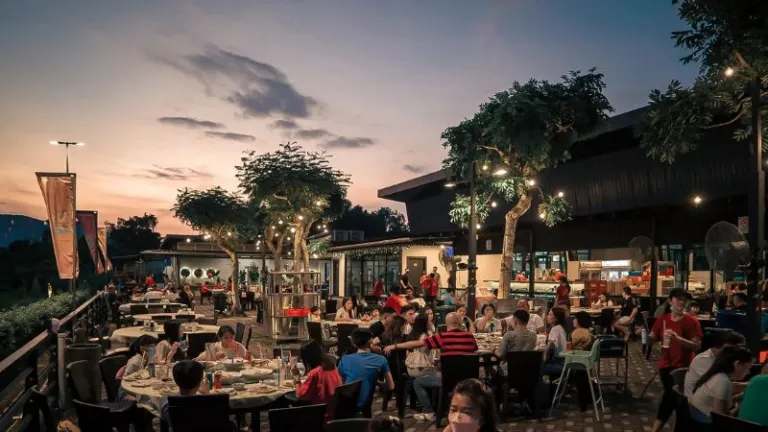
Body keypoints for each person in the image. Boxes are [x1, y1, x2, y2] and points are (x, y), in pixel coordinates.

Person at [384, 313, 478, 423]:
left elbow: (418, 344)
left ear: (447, 324)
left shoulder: (442, 337)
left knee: (418, 382)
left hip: (447, 380)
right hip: (469, 381)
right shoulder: (470, 337)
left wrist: (395, 346)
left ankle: (428, 411)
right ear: (460, 324)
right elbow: (474, 350)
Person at [648, 288, 703, 432]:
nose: (682, 302)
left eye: (685, 299)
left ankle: (656, 429)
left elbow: (697, 346)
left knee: (674, 399)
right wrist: (642, 335)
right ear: (670, 300)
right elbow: (650, 339)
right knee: (675, 399)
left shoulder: (691, 321)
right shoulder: (663, 320)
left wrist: (678, 339)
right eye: (679, 298)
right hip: (666, 366)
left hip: (684, 367)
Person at [689, 346, 752, 425]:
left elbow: (717, 401)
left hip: (697, 418)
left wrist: (737, 398)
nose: (748, 372)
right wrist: (738, 409)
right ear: (737, 364)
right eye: (748, 368)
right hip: (703, 424)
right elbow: (720, 419)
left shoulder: (718, 375)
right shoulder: (722, 380)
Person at [337, 329, 395, 411]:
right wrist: (376, 382)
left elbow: (341, 384)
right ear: (370, 342)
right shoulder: (381, 360)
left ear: (353, 343)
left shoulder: (345, 359)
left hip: (345, 404)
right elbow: (391, 386)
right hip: (364, 403)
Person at [292, 339, 342, 421]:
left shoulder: (315, 373)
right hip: (333, 412)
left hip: (319, 415)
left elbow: (301, 396)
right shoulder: (332, 367)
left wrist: (297, 378)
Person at [684, 330, 746, 397]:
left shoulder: (722, 359)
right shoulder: (704, 360)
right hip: (696, 403)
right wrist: (753, 385)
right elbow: (719, 387)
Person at [160, 360, 210, 432]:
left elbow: (164, 421)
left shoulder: (166, 401)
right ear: (199, 382)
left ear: (176, 381)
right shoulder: (209, 402)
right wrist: (207, 394)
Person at [542, 307, 568, 375]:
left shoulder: (555, 329)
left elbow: (551, 346)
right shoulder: (560, 327)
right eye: (548, 314)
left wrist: (543, 360)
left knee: (535, 367)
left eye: (550, 315)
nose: (547, 316)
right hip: (562, 362)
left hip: (558, 363)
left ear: (557, 318)